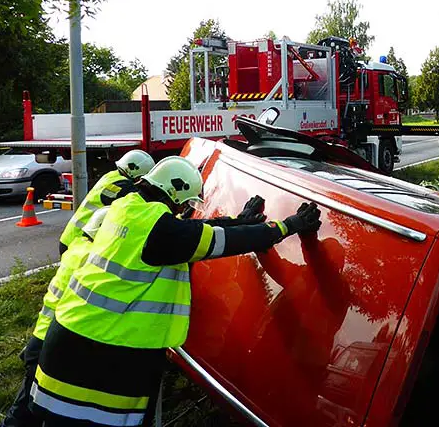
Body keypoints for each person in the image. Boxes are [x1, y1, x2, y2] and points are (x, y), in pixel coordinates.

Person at [29, 157, 322, 426]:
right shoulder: (158, 231)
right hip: (97, 356)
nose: (182, 211)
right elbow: (210, 240)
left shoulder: (129, 209)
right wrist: (286, 226)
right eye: (184, 205)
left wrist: (237, 222)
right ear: (175, 194)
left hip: (72, 342)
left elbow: (186, 231)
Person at [0, 150, 156, 427]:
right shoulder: (117, 186)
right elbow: (132, 204)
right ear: (136, 175)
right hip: (81, 245)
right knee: (30, 402)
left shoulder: (111, 177)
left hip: (78, 245)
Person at [58, 149, 156, 255]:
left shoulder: (111, 176)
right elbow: (141, 204)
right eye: (140, 178)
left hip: (72, 237)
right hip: (79, 242)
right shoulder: (123, 186)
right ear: (134, 171)